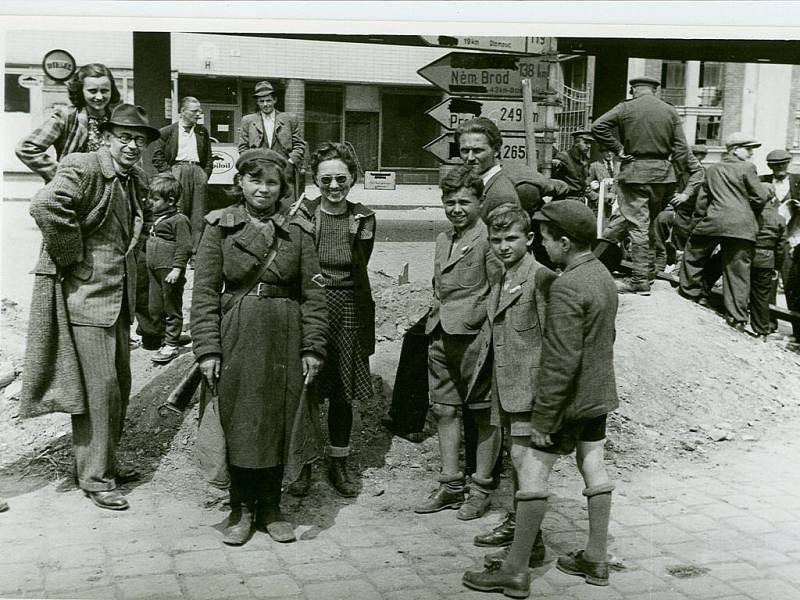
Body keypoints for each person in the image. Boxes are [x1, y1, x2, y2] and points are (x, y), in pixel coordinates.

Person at [463, 200, 619, 597]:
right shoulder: (601, 273)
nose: (545, 248)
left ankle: (515, 571)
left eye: (546, 239)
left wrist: (546, 420)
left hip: (566, 400)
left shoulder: (566, 284)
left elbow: (559, 360)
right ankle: (596, 557)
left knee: (531, 473)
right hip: (598, 393)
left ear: (564, 242)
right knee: (593, 465)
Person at [24, 104, 159, 511]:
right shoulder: (84, 166)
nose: (133, 146)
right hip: (87, 300)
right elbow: (45, 205)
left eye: (139, 140)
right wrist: (71, 256)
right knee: (99, 391)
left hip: (117, 301)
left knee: (117, 388)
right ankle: (96, 478)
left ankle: (104, 464)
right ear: (106, 137)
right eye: (125, 138)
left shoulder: (134, 178)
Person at [191, 148, 327, 546]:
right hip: (237, 333)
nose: (263, 189)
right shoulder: (219, 227)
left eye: (272, 182)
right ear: (240, 184)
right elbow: (203, 295)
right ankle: (241, 507)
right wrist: (208, 350)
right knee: (240, 419)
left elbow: (314, 296)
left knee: (278, 417)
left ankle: (271, 505)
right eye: (255, 180)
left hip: (285, 334)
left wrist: (313, 347)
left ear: (283, 188)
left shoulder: (298, 232)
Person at [467, 204, 556, 571]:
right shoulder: (502, 273)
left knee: (526, 465)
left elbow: (555, 340)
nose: (503, 246)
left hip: (531, 388)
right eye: (496, 239)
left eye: (511, 239)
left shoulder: (541, 278)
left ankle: (529, 543)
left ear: (530, 239)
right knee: (517, 463)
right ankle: (522, 528)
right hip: (506, 385)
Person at [414, 165, 503, 521]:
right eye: (449, 202)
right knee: (444, 411)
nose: (456, 209)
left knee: (483, 415)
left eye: (464, 201)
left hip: (476, 339)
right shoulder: (442, 239)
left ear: (480, 202)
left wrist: (488, 335)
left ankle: (481, 488)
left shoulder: (489, 240)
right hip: (441, 336)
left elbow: (498, 290)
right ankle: (451, 485)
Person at [291, 142, 376, 498]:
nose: (334, 186)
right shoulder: (305, 214)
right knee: (306, 387)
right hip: (310, 307)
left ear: (353, 178)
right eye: (326, 179)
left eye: (341, 178)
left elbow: (360, 266)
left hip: (348, 309)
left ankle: (338, 460)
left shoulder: (364, 218)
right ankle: (303, 462)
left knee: (342, 391)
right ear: (316, 180)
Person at [592, 76, 694, 296]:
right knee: (647, 225)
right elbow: (681, 149)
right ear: (655, 90)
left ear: (633, 90)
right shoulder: (670, 111)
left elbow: (598, 126)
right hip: (663, 176)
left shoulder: (625, 108)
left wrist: (618, 149)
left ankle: (639, 281)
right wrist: (673, 172)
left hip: (634, 173)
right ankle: (646, 273)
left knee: (638, 226)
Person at [679, 133, 773, 330]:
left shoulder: (712, 169)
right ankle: (737, 318)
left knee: (693, 255)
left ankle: (688, 295)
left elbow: (702, 202)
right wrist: (747, 212)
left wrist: (695, 226)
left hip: (713, 222)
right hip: (741, 227)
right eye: (748, 149)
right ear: (734, 149)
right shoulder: (747, 168)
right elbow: (760, 197)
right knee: (737, 271)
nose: (751, 153)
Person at [15, 62, 120, 183]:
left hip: (110, 193)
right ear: (80, 91)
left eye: (105, 91)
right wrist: (61, 175)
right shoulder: (65, 118)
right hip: (73, 194)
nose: (99, 96)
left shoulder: (118, 120)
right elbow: (26, 148)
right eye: (92, 91)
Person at [152, 96, 214, 255]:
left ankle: (194, 254)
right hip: (177, 172)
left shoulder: (202, 132)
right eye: (194, 111)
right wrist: (170, 175)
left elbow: (208, 158)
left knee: (198, 215)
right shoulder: (167, 132)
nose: (198, 114)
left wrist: (204, 175)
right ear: (182, 112)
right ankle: (177, 253)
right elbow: (157, 157)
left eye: (199, 111)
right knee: (178, 212)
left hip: (197, 172)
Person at [145, 173, 192, 364]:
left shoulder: (179, 220)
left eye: (155, 199)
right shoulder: (158, 216)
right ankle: (169, 336)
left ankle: (171, 344)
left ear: (170, 201)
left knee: (171, 306)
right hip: (154, 270)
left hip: (169, 271)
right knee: (155, 307)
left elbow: (185, 246)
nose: (150, 202)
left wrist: (177, 269)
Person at [238, 80, 305, 199]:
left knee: (286, 203)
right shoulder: (248, 121)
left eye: (268, 100)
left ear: (275, 100)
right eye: (261, 101)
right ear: (257, 102)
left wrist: (290, 162)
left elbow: (299, 145)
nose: (265, 104)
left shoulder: (289, 119)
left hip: (285, 170)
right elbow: (243, 147)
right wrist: (252, 165)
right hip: (259, 171)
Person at [761, 149, 800, 341]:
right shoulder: (762, 181)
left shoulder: (798, 181)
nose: (780, 168)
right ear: (770, 167)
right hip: (769, 240)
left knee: (793, 283)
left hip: (793, 240)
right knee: (768, 281)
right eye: (776, 166)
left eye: (783, 164)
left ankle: (798, 332)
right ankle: (769, 325)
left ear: (789, 163)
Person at [653, 145, 707, 275]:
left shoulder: (702, 174)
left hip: (691, 213)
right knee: (660, 221)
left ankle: (679, 265)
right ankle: (661, 261)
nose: (696, 159)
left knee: (683, 235)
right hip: (675, 210)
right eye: (695, 156)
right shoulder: (676, 171)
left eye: (699, 156)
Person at [749, 197, 787, 338]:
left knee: (741, 288)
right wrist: (776, 266)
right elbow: (781, 247)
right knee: (762, 296)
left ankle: (737, 320)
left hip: (748, 256)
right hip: (766, 260)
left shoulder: (752, 213)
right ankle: (761, 330)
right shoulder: (780, 219)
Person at [552, 130, 592, 202]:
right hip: (565, 199)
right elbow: (555, 178)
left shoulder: (586, 159)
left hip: (580, 199)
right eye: (585, 143)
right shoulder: (564, 156)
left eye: (590, 143)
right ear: (576, 143)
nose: (589, 146)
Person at [586, 147, 620, 219]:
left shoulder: (619, 166)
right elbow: (585, 187)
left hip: (617, 206)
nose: (609, 153)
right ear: (601, 152)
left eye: (611, 151)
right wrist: (598, 198)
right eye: (606, 151)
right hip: (599, 207)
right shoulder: (594, 166)